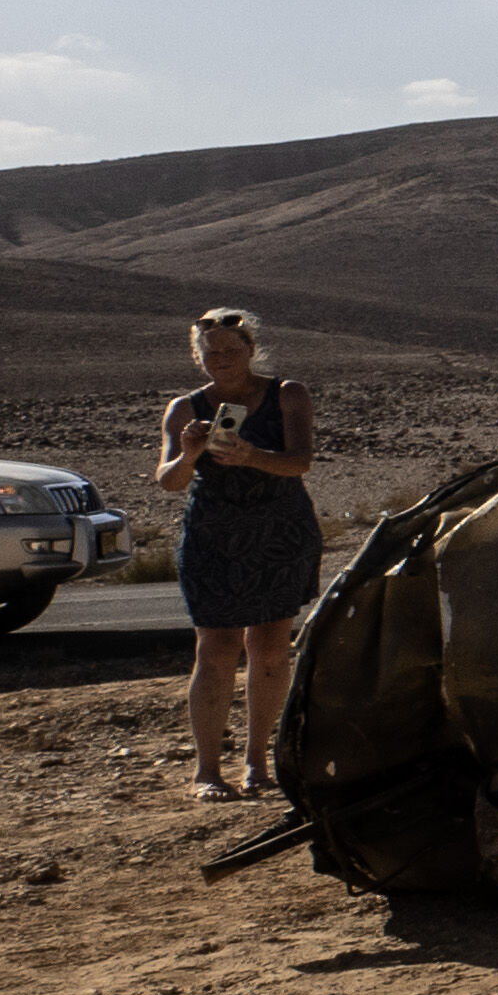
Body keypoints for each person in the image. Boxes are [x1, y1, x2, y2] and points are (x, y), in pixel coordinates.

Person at [156, 306, 320, 800]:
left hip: (278, 534)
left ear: (250, 350)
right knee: (217, 649)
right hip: (214, 538)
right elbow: (168, 482)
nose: (222, 360)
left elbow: (300, 463)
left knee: (270, 650)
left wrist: (251, 456)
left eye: (232, 351)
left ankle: (258, 762)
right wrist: (189, 454)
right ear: (198, 357)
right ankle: (207, 771)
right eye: (212, 354)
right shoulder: (183, 408)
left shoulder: (288, 394)